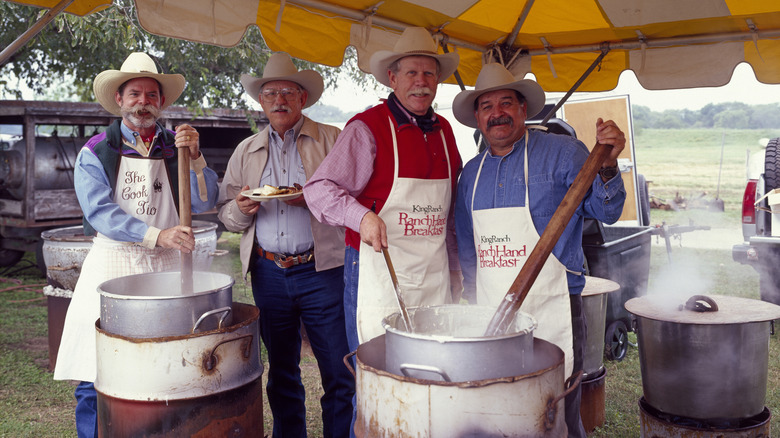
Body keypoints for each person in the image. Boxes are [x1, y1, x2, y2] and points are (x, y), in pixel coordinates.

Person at [452, 62, 627, 438]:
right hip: (493, 313)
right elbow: (467, 247)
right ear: (477, 118)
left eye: (505, 103)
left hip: (554, 306)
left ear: (523, 110)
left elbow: (606, 211)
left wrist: (609, 165)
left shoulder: (563, 154)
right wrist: (473, 299)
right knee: (501, 407)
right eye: (486, 107)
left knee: (556, 410)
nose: (496, 113)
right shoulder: (470, 173)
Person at [53, 52, 219, 438]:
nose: (143, 102)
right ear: (119, 100)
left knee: (160, 367)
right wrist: (156, 234)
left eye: (151, 94)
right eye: (134, 94)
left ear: (161, 103)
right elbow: (99, 212)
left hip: (164, 268)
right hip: (113, 265)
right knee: (95, 368)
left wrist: (195, 158)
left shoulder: (174, 146)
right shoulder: (96, 151)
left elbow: (206, 200)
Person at [217, 52, 354, 438]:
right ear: (261, 101)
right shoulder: (245, 150)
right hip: (268, 273)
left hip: (322, 271)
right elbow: (225, 213)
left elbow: (355, 201)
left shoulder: (332, 139)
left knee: (339, 370)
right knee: (280, 373)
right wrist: (243, 209)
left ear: (302, 98)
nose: (279, 100)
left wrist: (311, 199)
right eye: (271, 93)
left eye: (288, 93)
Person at [304, 26, 463, 353]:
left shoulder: (445, 131)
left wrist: (456, 268)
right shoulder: (367, 128)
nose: (421, 81)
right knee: (376, 373)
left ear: (438, 80)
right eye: (411, 73)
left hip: (433, 277)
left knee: (433, 368)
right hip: (377, 275)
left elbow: (448, 215)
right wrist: (361, 218)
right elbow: (319, 190)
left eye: (429, 74)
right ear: (392, 78)